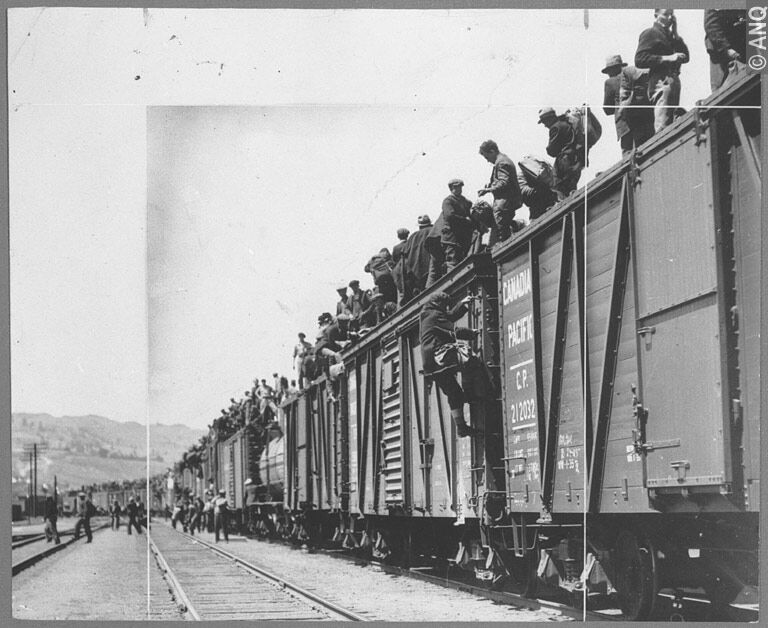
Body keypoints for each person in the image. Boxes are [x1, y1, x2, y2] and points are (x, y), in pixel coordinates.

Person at [420, 292, 488, 438]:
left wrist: (462, 305)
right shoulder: (435, 316)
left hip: (431, 366)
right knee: (471, 361)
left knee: (454, 394)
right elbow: (454, 330)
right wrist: (473, 333)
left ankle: (461, 427)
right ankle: (472, 395)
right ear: (439, 304)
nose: (447, 308)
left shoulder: (428, 315)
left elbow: (448, 316)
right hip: (440, 359)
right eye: (445, 305)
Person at [634, 9, 690, 133]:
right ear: (656, 16)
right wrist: (667, 58)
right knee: (663, 126)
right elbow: (639, 59)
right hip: (661, 80)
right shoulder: (650, 33)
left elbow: (686, 57)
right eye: (665, 14)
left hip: (671, 80)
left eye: (671, 14)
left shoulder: (670, 37)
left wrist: (675, 33)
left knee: (670, 124)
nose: (669, 17)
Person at [477, 139, 523, 246]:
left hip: (505, 203)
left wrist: (488, 190)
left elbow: (503, 182)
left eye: (487, 157)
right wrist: (490, 185)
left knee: (501, 231)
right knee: (502, 229)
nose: (488, 161)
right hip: (506, 202)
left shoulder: (502, 162)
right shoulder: (503, 161)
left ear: (492, 151)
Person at [538, 107, 584, 199]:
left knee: (559, 188)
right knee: (570, 188)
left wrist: (548, 149)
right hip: (574, 158)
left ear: (549, 118)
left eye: (544, 122)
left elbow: (552, 150)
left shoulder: (555, 127)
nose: (545, 125)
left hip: (564, 161)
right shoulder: (565, 123)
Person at [704, 9, 746, 91]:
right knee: (721, 91)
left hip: (742, 47)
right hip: (721, 50)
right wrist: (726, 49)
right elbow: (711, 25)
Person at [441, 179, 475, 272]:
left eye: (460, 187)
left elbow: (469, 206)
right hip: (452, 238)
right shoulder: (448, 201)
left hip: (462, 237)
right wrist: (464, 220)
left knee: (463, 261)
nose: (459, 189)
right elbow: (450, 216)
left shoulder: (463, 200)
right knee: (453, 262)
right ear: (451, 188)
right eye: (456, 187)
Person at [401, 215, 433, 299]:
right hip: (431, 264)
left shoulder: (413, 236)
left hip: (417, 269)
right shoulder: (433, 230)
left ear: (419, 226)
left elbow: (404, 252)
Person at [516, 157, 557, 221]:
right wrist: (540, 190)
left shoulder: (545, 168)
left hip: (551, 205)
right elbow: (524, 194)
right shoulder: (522, 176)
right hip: (537, 213)